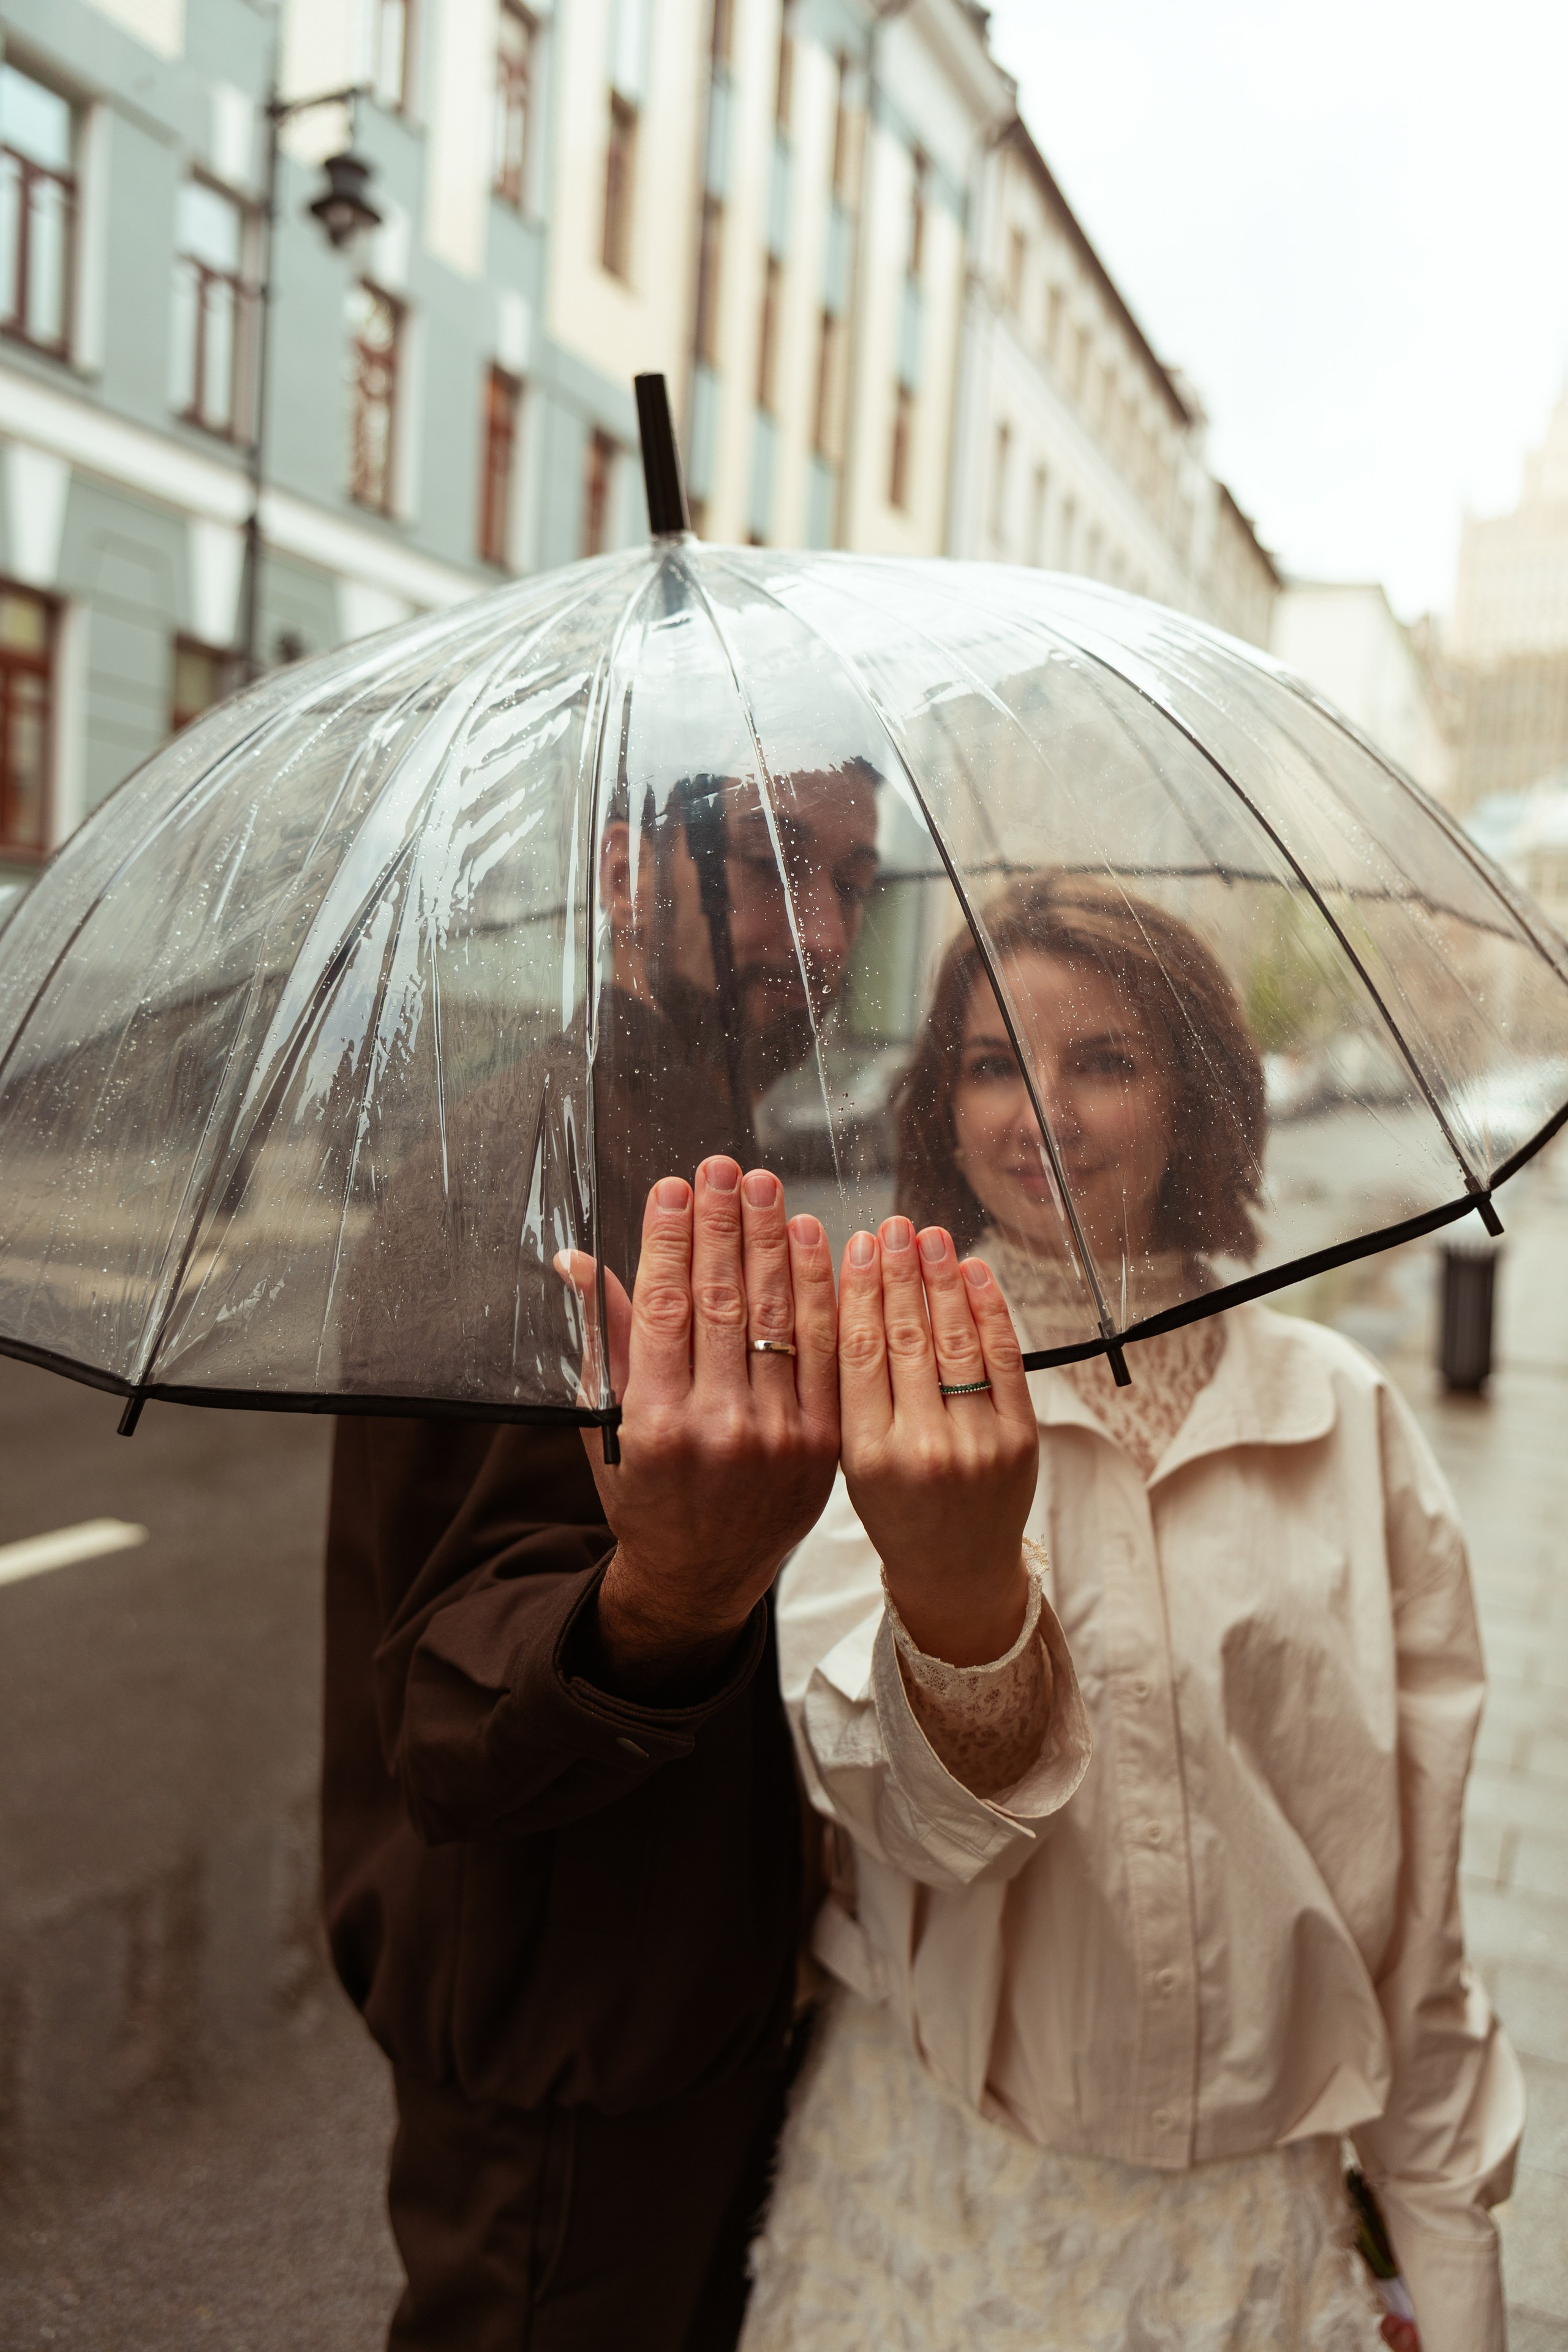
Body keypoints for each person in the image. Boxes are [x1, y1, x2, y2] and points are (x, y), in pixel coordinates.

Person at [742, 874, 1523, 2352]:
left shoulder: (1338, 1418)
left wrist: (1442, 2245)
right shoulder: (887, 1400)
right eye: (992, 1064)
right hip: (944, 2214)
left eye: (1102, 1057)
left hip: (1251, 2235)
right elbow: (894, 1814)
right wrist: (957, 1595)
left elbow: (1410, 1917)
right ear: (941, 1106)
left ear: (1198, 1095)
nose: (1041, 1110)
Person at [322, 753, 880, 2352]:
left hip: (710, 2012)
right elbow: (443, 1701)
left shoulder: (730, 1148)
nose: (826, 933)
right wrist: (663, 1600)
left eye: (855, 881)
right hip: (570, 2062)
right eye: (781, 865)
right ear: (630, 872)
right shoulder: (513, 1165)